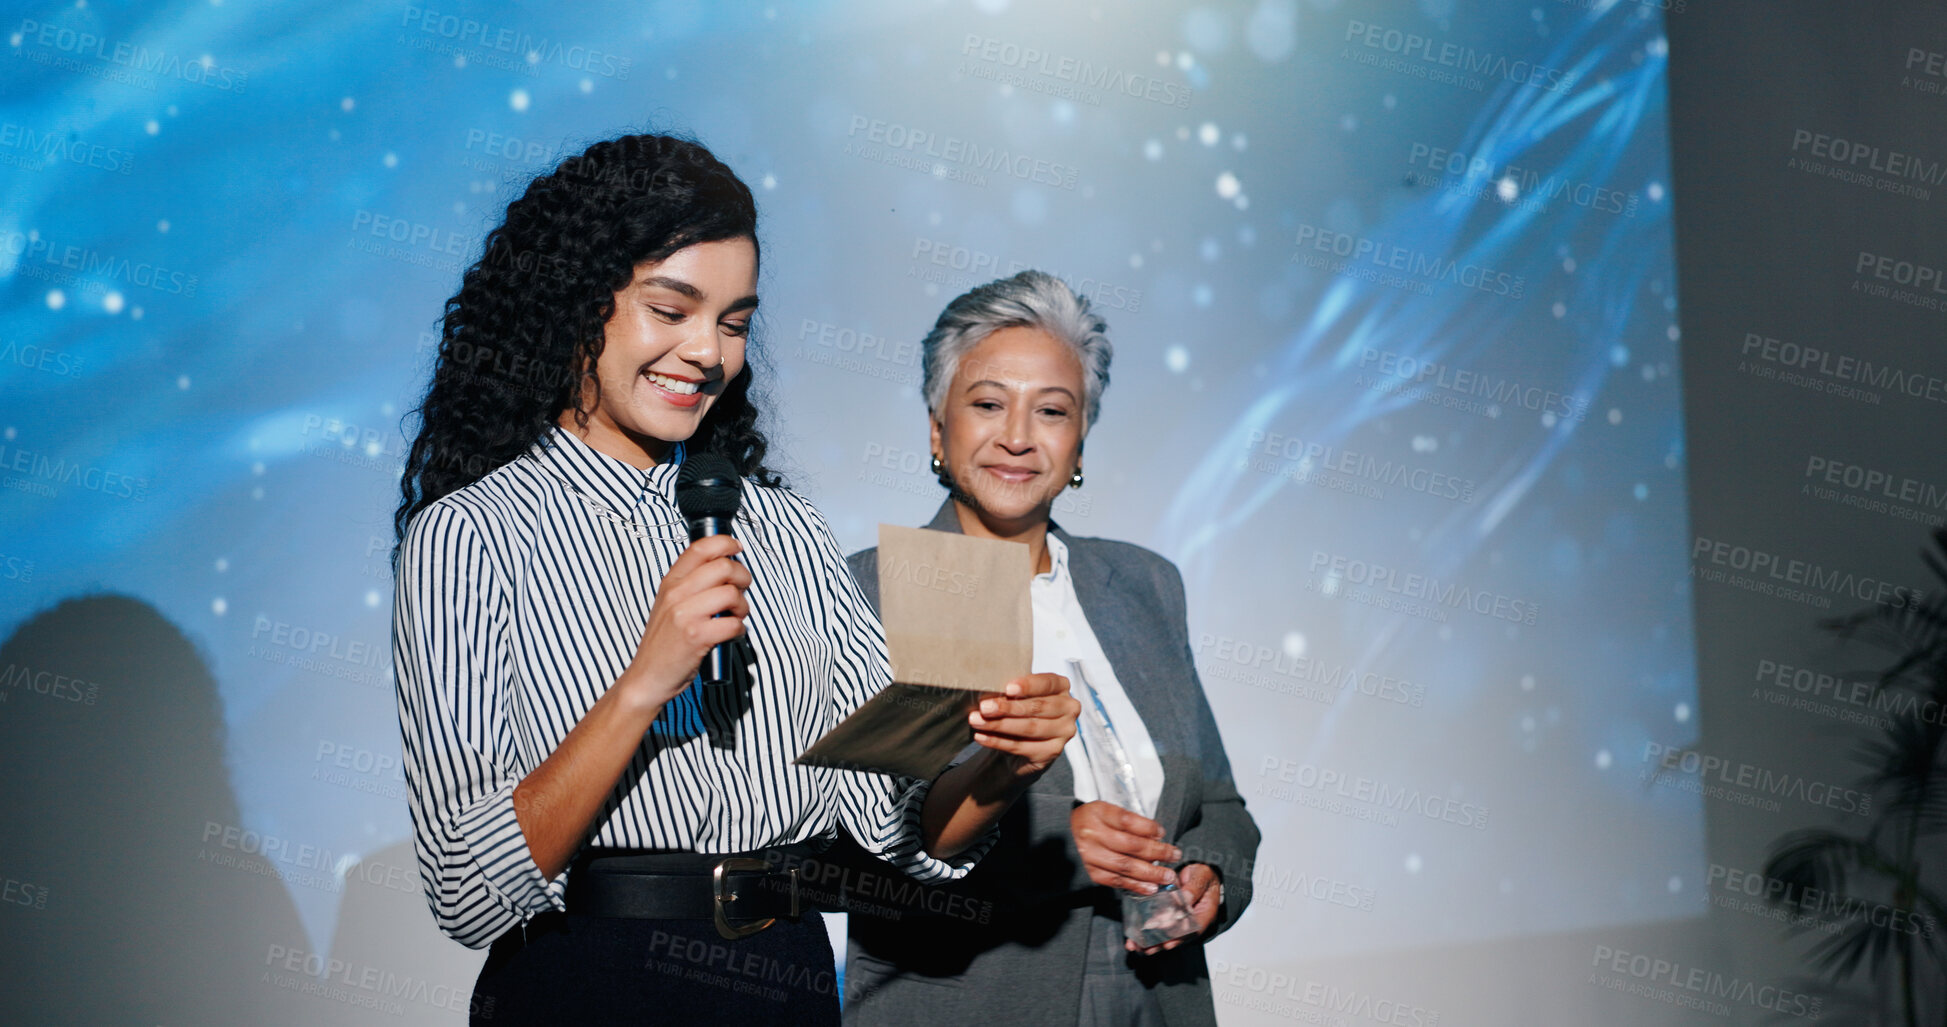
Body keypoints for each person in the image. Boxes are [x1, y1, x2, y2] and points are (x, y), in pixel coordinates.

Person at [390, 134, 1079, 1026]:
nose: (706, 352)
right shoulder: (471, 533)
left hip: (781, 978)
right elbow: (465, 891)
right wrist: (645, 681)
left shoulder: (784, 531)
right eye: (669, 309)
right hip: (588, 982)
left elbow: (897, 826)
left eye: (733, 321)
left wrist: (1000, 764)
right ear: (574, 301)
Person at [839, 271, 1260, 1026]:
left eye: (1052, 410)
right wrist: (1059, 835)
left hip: (1158, 998)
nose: (1017, 436)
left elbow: (1221, 803)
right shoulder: (867, 591)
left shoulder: (1143, 583)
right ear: (938, 429)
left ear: (1079, 441)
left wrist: (1213, 873)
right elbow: (852, 850)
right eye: (988, 403)